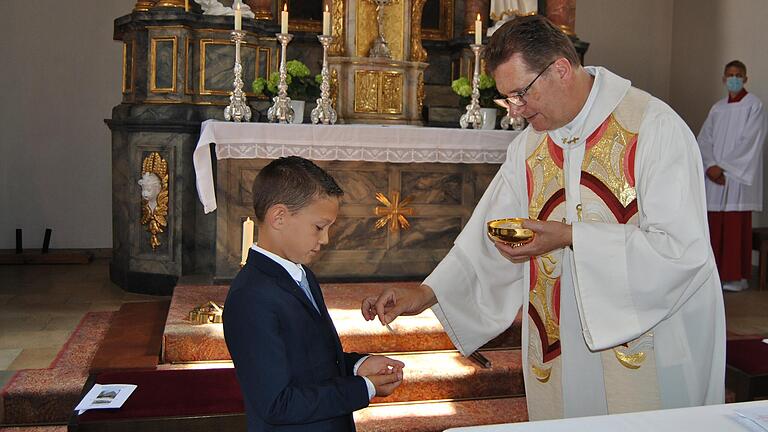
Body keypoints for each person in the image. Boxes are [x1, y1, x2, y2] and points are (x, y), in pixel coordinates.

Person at [362, 15, 725, 420]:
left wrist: (571, 236)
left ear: (561, 70)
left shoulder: (654, 129)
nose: (516, 112)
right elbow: (490, 237)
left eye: (521, 94)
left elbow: (680, 252)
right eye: (507, 99)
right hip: (563, 349)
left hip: (651, 346)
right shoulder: (531, 146)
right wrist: (427, 294)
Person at [224, 156, 404, 432]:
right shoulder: (250, 298)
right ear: (279, 217)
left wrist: (358, 365)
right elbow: (277, 404)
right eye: (319, 227)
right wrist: (362, 388)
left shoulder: (302, 275)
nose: (325, 240)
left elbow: (312, 360)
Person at [698, 60, 767, 292]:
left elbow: (750, 141)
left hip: (735, 177)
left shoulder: (754, 105)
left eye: (738, 75)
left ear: (746, 79)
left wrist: (724, 167)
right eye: (730, 75)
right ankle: (715, 273)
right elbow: (704, 139)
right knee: (715, 224)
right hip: (715, 176)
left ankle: (736, 276)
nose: (734, 78)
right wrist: (709, 166)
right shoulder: (717, 108)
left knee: (735, 225)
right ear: (724, 79)